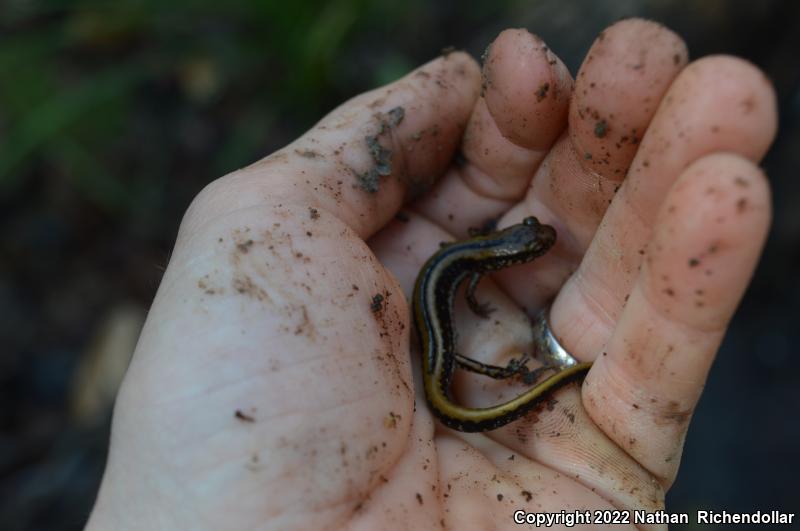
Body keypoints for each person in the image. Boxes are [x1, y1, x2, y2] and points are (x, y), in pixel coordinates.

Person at [85, 19, 776, 530]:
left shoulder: (479, 253)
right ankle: (529, 380)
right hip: (438, 373)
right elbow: (472, 275)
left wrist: (479, 292)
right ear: (513, 253)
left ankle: (532, 379)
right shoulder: (476, 264)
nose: (531, 244)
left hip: (443, 338)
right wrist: (497, 358)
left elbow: (476, 263)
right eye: (528, 245)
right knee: (456, 347)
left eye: (526, 245)